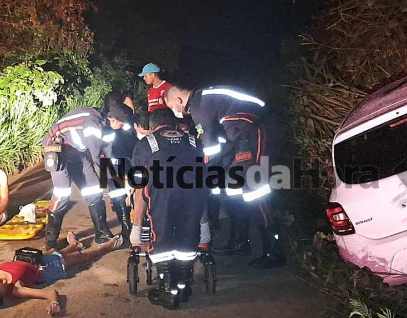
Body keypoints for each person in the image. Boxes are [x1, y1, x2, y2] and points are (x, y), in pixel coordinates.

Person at [164, 84, 284, 269]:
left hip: (256, 130)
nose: (175, 111)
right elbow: (213, 142)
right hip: (241, 137)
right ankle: (240, 242)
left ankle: (274, 250)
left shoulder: (200, 106)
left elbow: (210, 149)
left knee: (255, 190)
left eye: (172, 106)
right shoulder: (203, 102)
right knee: (233, 190)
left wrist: (200, 175)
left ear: (179, 100)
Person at [130, 108, 208, 303]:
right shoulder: (193, 140)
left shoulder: (145, 144)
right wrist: (204, 224)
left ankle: (167, 289)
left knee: (162, 234)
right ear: (174, 124)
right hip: (194, 191)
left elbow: (140, 189)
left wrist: (137, 227)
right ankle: (182, 285)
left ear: (152, 127)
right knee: (188, 232)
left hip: (162, 193)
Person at [0, 232, 123, 316]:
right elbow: (49, 293)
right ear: (2, 296)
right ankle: (105, 247)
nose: (3, 281)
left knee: (52, 251)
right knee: (80, 258)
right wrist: (54, 303)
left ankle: (74, 245)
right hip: (49, 269)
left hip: (35, 259)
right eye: (3, 287)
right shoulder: (16, 290)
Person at [41, 106, 119, 250]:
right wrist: (112, 179)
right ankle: (50, 241)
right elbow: (97, 157)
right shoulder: (93, 125)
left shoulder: (105, 124)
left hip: (75, 149)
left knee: (93, 187)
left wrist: (111, 177)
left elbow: (105, 153)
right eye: (121, 123)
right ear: (112, 119)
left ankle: (101, 233)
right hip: (57, 147)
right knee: (62, 193)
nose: (121, 127)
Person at [101, 102, 138, 239]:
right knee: (117, 198)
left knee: (128, 196)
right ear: (112, 119)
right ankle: (125, 226)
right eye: (121, 123)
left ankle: (130, 225)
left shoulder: (125, 127)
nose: (123, 125)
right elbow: (104, 151)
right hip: (111, 165)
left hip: (125, 163)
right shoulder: (106, 131)